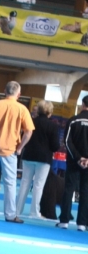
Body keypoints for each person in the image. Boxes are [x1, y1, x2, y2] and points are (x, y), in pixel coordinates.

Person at [0, 81, 34, 223]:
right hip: (10, 150)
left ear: (5, 91)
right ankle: (10, 215)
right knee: (9, 182)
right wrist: (20, 147)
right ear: (19, 94)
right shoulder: (22, 109)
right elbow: (28, 132)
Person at [16, 100, 59, 218]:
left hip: (29, 155)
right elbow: (55, 146)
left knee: (24, 182)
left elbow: (22, 137)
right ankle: (34, 212)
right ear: (50, 112)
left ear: (38, 110)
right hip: (44, 158)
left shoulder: (31, 122)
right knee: (38, 185)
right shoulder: (53, 126)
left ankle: (17, 210)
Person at [56, 96, 88, 231]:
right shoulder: (74, 120)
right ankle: (82, 223)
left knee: (69, 189)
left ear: (82, 104)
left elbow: (67, 141)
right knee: (86, 191)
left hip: (74, 162)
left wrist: (78, 158)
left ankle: (64, 220)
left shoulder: (74, 120)